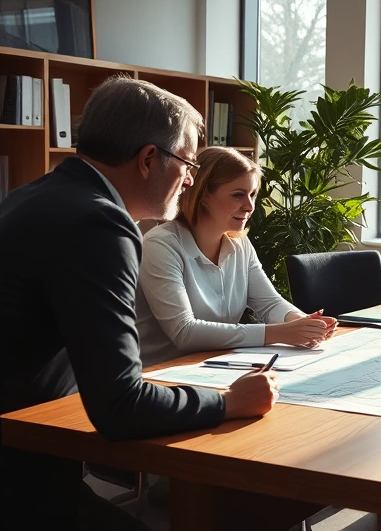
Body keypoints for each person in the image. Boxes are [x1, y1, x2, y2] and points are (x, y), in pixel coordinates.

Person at [0, 76, 278, 530]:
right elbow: (120, 407)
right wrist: (227, 402)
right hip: (21, 481)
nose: (190, 177)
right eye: (187, 162)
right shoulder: (100, 224)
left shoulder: (34, 196)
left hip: (35, 450)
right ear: (149, 159)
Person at [136, 147, 336, 366]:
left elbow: (269, 304)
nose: (250, 206)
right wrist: (282, 333)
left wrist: (302, 324)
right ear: (203, 196)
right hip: (161, 374)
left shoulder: (239, 243)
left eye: (252, 194)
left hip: (216, 365)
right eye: (238, 195)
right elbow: (185, 332)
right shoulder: (161, 245)